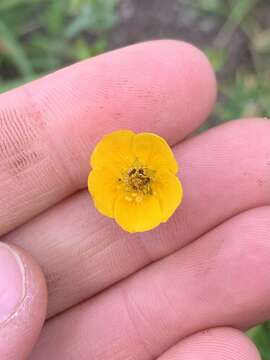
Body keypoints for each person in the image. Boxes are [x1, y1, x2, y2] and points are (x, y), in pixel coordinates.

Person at [0, 40, 268, 360]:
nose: (137, 179)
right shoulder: (111, 169)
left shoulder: (156, 164)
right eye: (135, 178)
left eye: (139, 178)